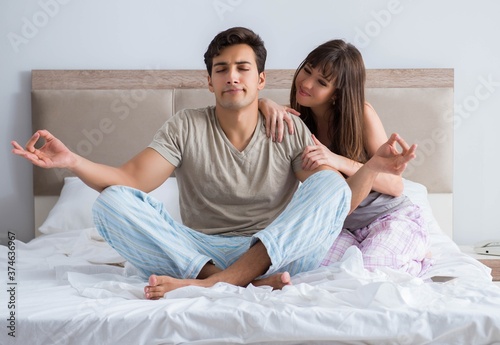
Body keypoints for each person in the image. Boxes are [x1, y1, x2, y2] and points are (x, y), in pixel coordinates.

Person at [11, 28, 416, 300]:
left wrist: (366, 166)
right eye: (221, 69)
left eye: (243, 68)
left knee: (328, 186)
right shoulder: (185, 126)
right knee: (111, 202)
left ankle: (219, 282)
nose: (232, 77)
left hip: (276, 250)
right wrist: (73, 160)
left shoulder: (290, 127)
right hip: (197, 247)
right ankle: (241, 282)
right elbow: (130, 180)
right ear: (209, 81)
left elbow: (331, 202)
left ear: (261, 80)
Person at [258, 39, 430, 276]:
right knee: (315, 271)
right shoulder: (295, 121)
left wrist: (336, 160)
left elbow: (395, 184)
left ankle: (416, 257)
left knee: (373, 269)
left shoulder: (362, 114)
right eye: (307, 70)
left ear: (337, 94)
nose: (306, 83)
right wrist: (262, 102)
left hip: (387, 215)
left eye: (321, 82)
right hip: (338, 227)